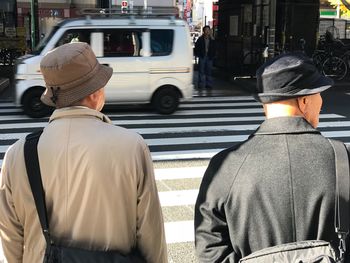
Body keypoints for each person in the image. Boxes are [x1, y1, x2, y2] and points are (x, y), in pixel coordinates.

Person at [0, 42, 167, 263]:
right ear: (95, 93)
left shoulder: (18, 153)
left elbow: (10, 235)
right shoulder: (131, 146)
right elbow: (150, 232)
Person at [194, 52, 349, 262]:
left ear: (264, 105)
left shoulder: (225, 166)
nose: (321, 102)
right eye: (319, 94)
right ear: (304, 101)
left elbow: (209, 251)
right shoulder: (343, 159)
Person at [194, 25, 216, 90]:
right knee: (201, 71)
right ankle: (200, 84)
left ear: (210, 31)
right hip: (202, 56)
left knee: (209, 71)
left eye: (208, 30)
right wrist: (198, 55)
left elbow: (215, 48)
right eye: (206, 30)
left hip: (209, 57)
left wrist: (213, 55)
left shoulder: (212, 39)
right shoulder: (200, 39)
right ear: (203, 31)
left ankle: (208, 84)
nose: (207, 31)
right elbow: (196, 47)